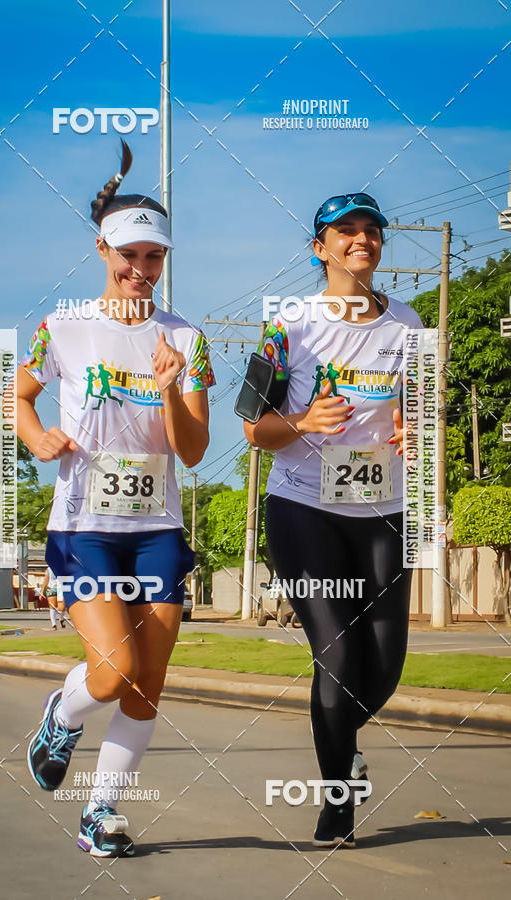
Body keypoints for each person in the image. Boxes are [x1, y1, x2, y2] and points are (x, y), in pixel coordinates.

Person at [13, 140, 215, 857]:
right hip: (84, 529)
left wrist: (168, 388)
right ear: (102, 248)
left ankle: (100, 812)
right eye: (129, 254)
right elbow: (19, 397)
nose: (141, 269)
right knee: (112, 670)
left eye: (154, 257)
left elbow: (191, 450)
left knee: (146, 683)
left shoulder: (185, 339)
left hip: (156, 528)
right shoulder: (61, 327)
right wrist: (35, 436)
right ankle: (61, 717)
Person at [242, 193, 422, 848]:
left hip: (384, 509)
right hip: (303, 507)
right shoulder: (284, 327)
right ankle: (337, 800)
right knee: (338, 654)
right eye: (345, 231)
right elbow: (253, 427)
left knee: (385, 666)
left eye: (372, 230)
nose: (362, 239)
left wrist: (413, 427)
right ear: (320, 248)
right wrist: (303, 422)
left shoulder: (410, 325)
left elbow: (421, 414)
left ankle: (341, 740)